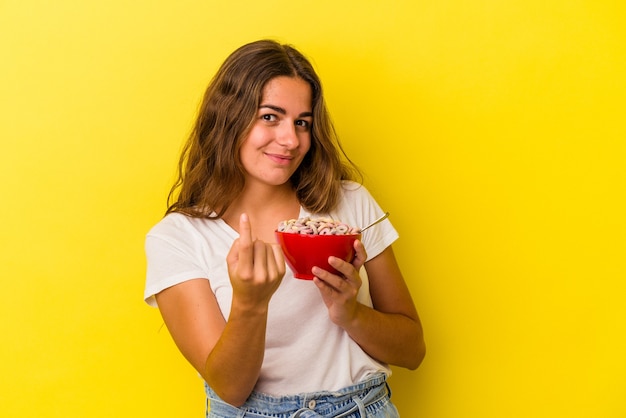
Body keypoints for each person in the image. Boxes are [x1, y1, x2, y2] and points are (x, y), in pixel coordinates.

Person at [144, 39, 425, 418]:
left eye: (302, 123)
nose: (291, 140)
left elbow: (413, 350)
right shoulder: (178, 238)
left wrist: (351, 313)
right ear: (229, 117)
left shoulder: (349, 204)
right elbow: (230, 389)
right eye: (269, 117)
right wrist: (249, 303)